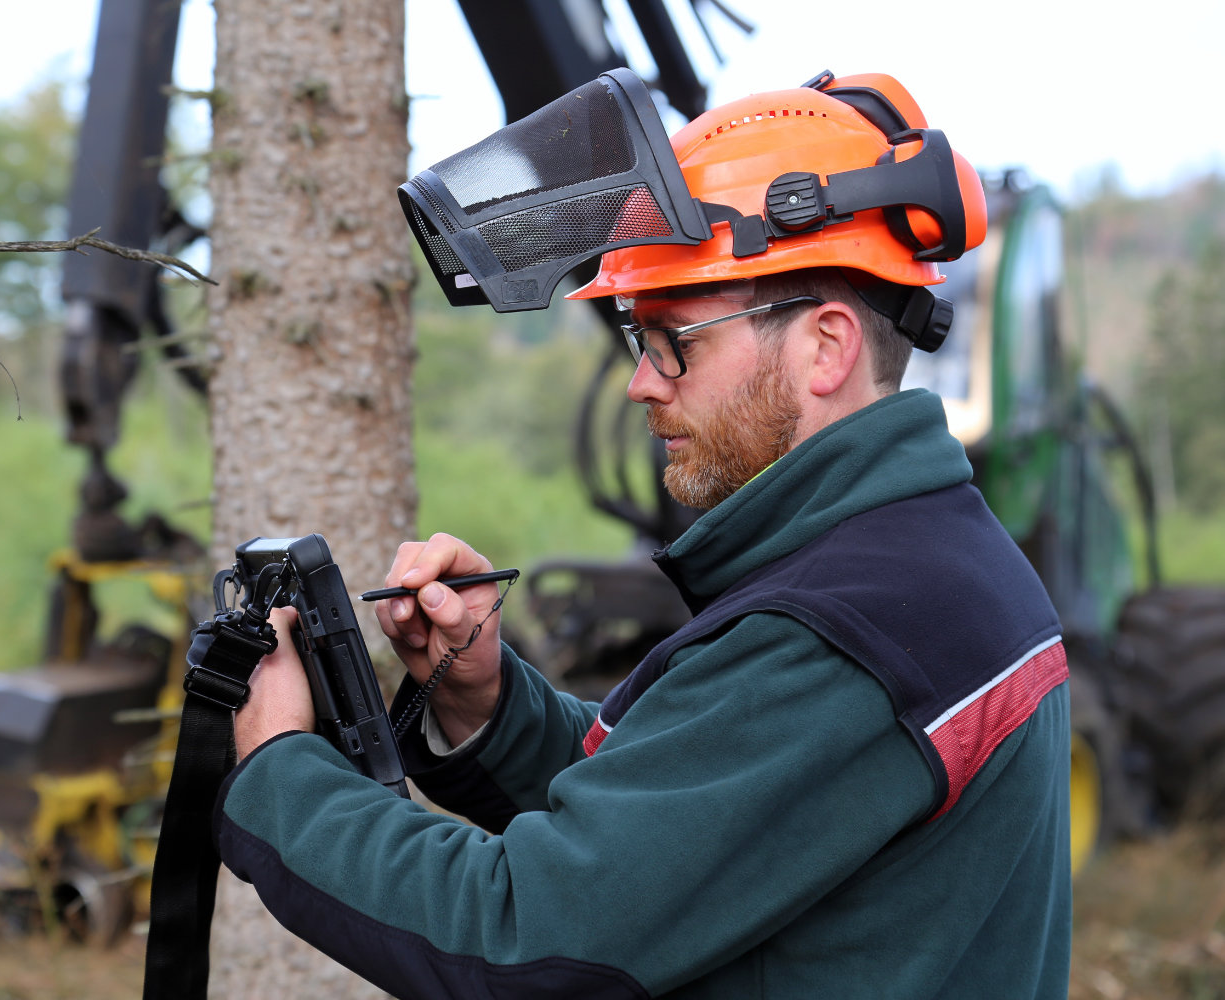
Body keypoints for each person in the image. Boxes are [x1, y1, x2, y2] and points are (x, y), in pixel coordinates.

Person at [214, 72, 1071, 999]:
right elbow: (692, 820)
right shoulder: (922, 562)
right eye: (639, 339)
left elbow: (526, 937)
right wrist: (489, 705)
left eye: (678, 342)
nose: (642, 382)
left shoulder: (844, 633)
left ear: (825, 347)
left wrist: (278, 766)